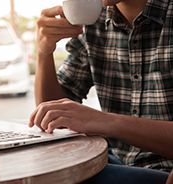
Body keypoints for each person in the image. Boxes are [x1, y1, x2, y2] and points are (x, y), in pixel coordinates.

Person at [29, 0, 173, 183]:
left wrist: (106, 122)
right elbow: (54, 115)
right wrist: (44, 51)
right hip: (112, 162)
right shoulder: (94, 22)